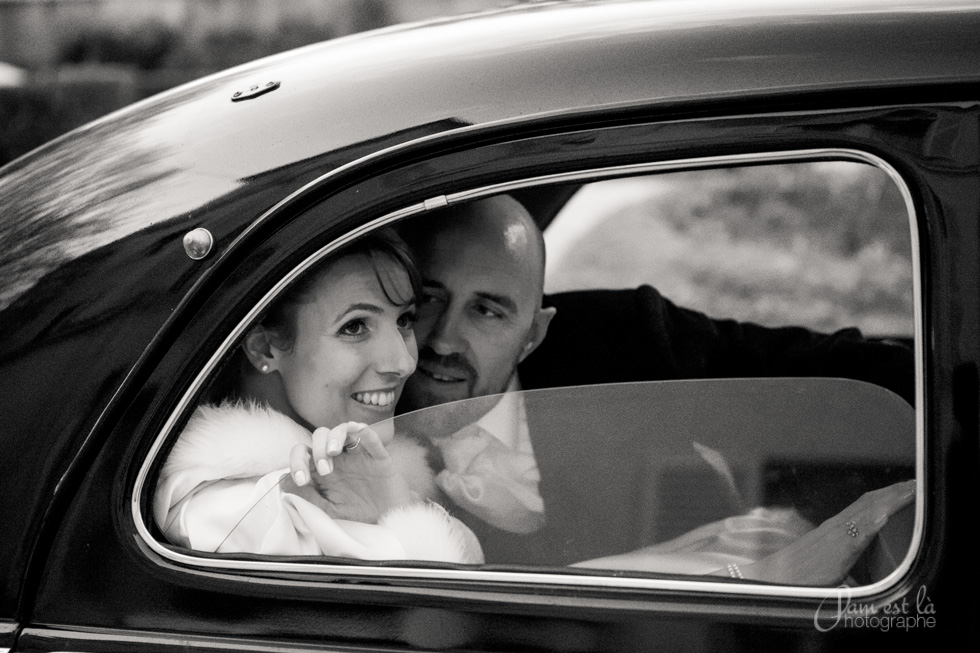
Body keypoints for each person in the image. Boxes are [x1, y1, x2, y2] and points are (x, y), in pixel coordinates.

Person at [390, 194, 916, 583]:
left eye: (487, 310)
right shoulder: (356, 420)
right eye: (430, 299)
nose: (442, 339)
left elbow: (834, 378)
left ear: (534, 334)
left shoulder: (625, 340)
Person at [154, 230, 482, 563]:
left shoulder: (352, 480)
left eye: (404, 320)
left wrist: (397, 507)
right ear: (265, 348)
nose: (403, 362)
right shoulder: (242, 517)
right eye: (354, 327)